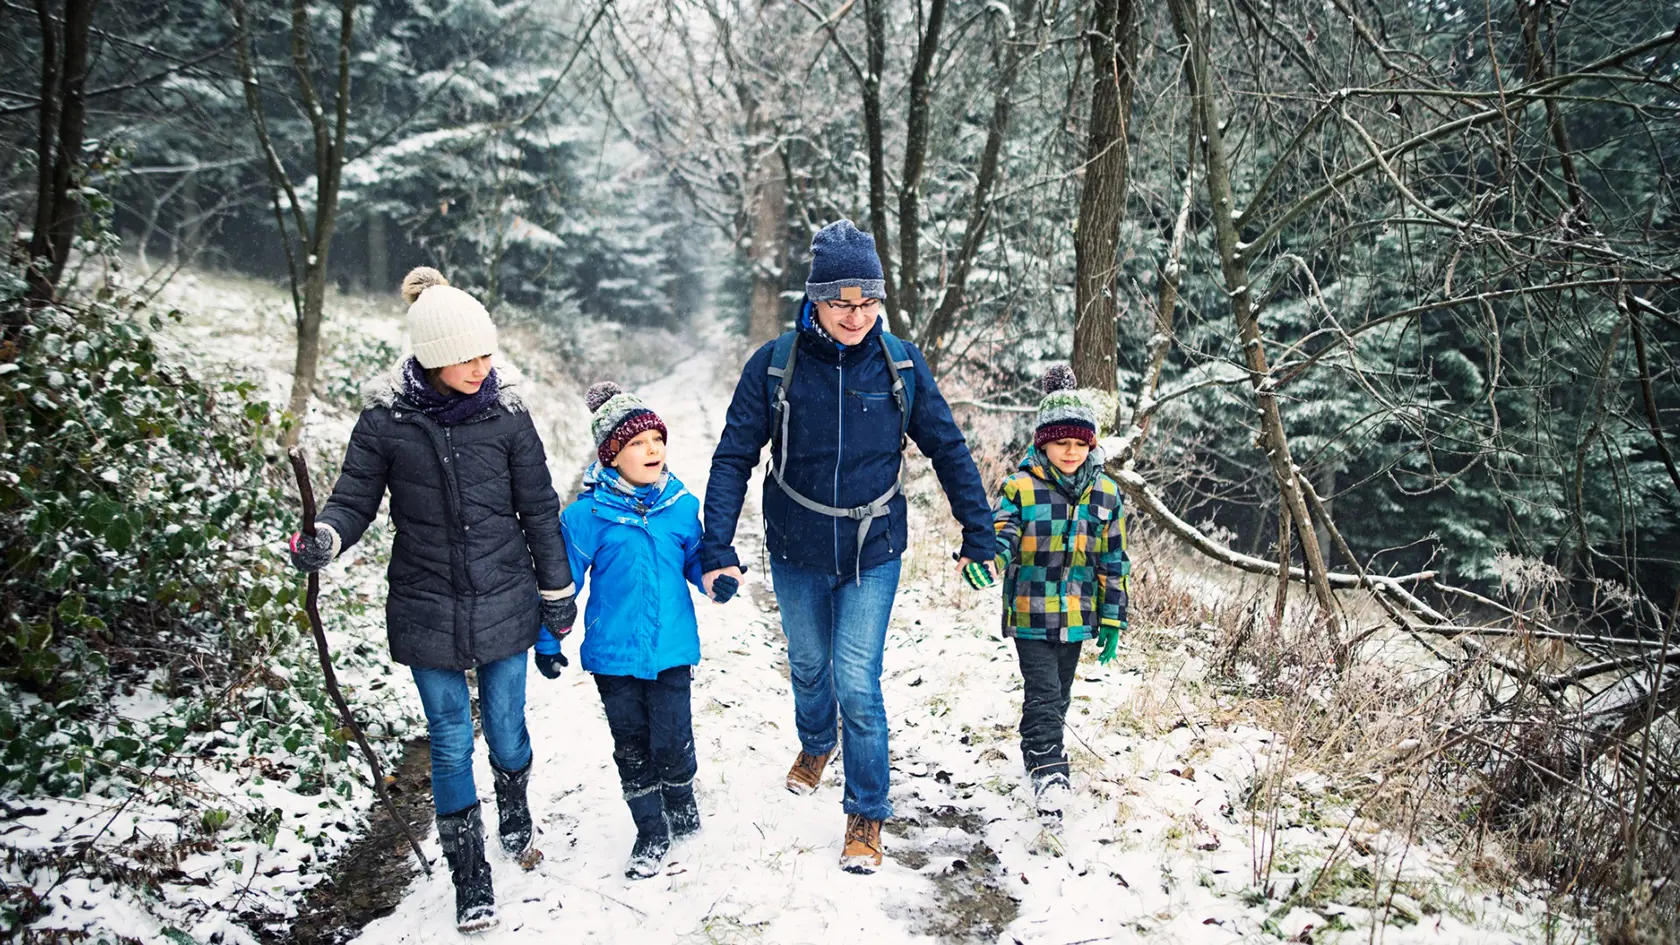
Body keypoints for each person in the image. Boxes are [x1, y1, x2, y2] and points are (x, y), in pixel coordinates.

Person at [287, 267, 575, 934]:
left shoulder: (508, 417)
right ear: (429, 356)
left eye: (485, 353)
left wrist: (555, 590)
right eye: (465, 356)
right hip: (426, 601)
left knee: (505, 727)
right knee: (449, 740)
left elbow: (539, 508)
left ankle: (514, 804)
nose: (481, 366)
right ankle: (468, 874)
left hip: (504, 596)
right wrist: (325, 536)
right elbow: (353, 497)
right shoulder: (387, 424)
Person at [700, 220, 994, 874]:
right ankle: (815, 741)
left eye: (868, 302)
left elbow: (948, 449)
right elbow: (732, 457)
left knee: (856, 679)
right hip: (796, 543)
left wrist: (979, 531)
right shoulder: (776, 364)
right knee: (809, 665)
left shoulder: (900, 364)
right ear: (814, 300)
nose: (856, 315)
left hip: (874, 547)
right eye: (841, 302)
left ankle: (866, 812)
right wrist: (716, 541)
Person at [544, 382, 737, 879]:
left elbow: (695, 559)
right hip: (614, 656)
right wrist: (548, 640)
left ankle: (681, 800)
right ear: (611, 456)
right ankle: (650, 829)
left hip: (672, 650)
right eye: (636, 443)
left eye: (657, 439)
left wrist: (715, 580)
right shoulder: (585, 518)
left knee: (673, 741)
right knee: (631, 745)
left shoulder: (680, 505)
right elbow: (560, 586)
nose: (652, 450)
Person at [970, 365, 1129, 820]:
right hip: (1032, 612)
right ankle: (1049, 773)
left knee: (1059, 694)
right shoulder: (1020, 488)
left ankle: (1037, 750)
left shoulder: (1106, 494)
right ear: (1043, 442)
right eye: (1063, 443)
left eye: (1081, 444)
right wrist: (989, 560)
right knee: (1042, 690)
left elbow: (1114, 560)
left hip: (1079, 616)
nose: (1072, 452)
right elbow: (1003, 534)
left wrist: (1114, 618)